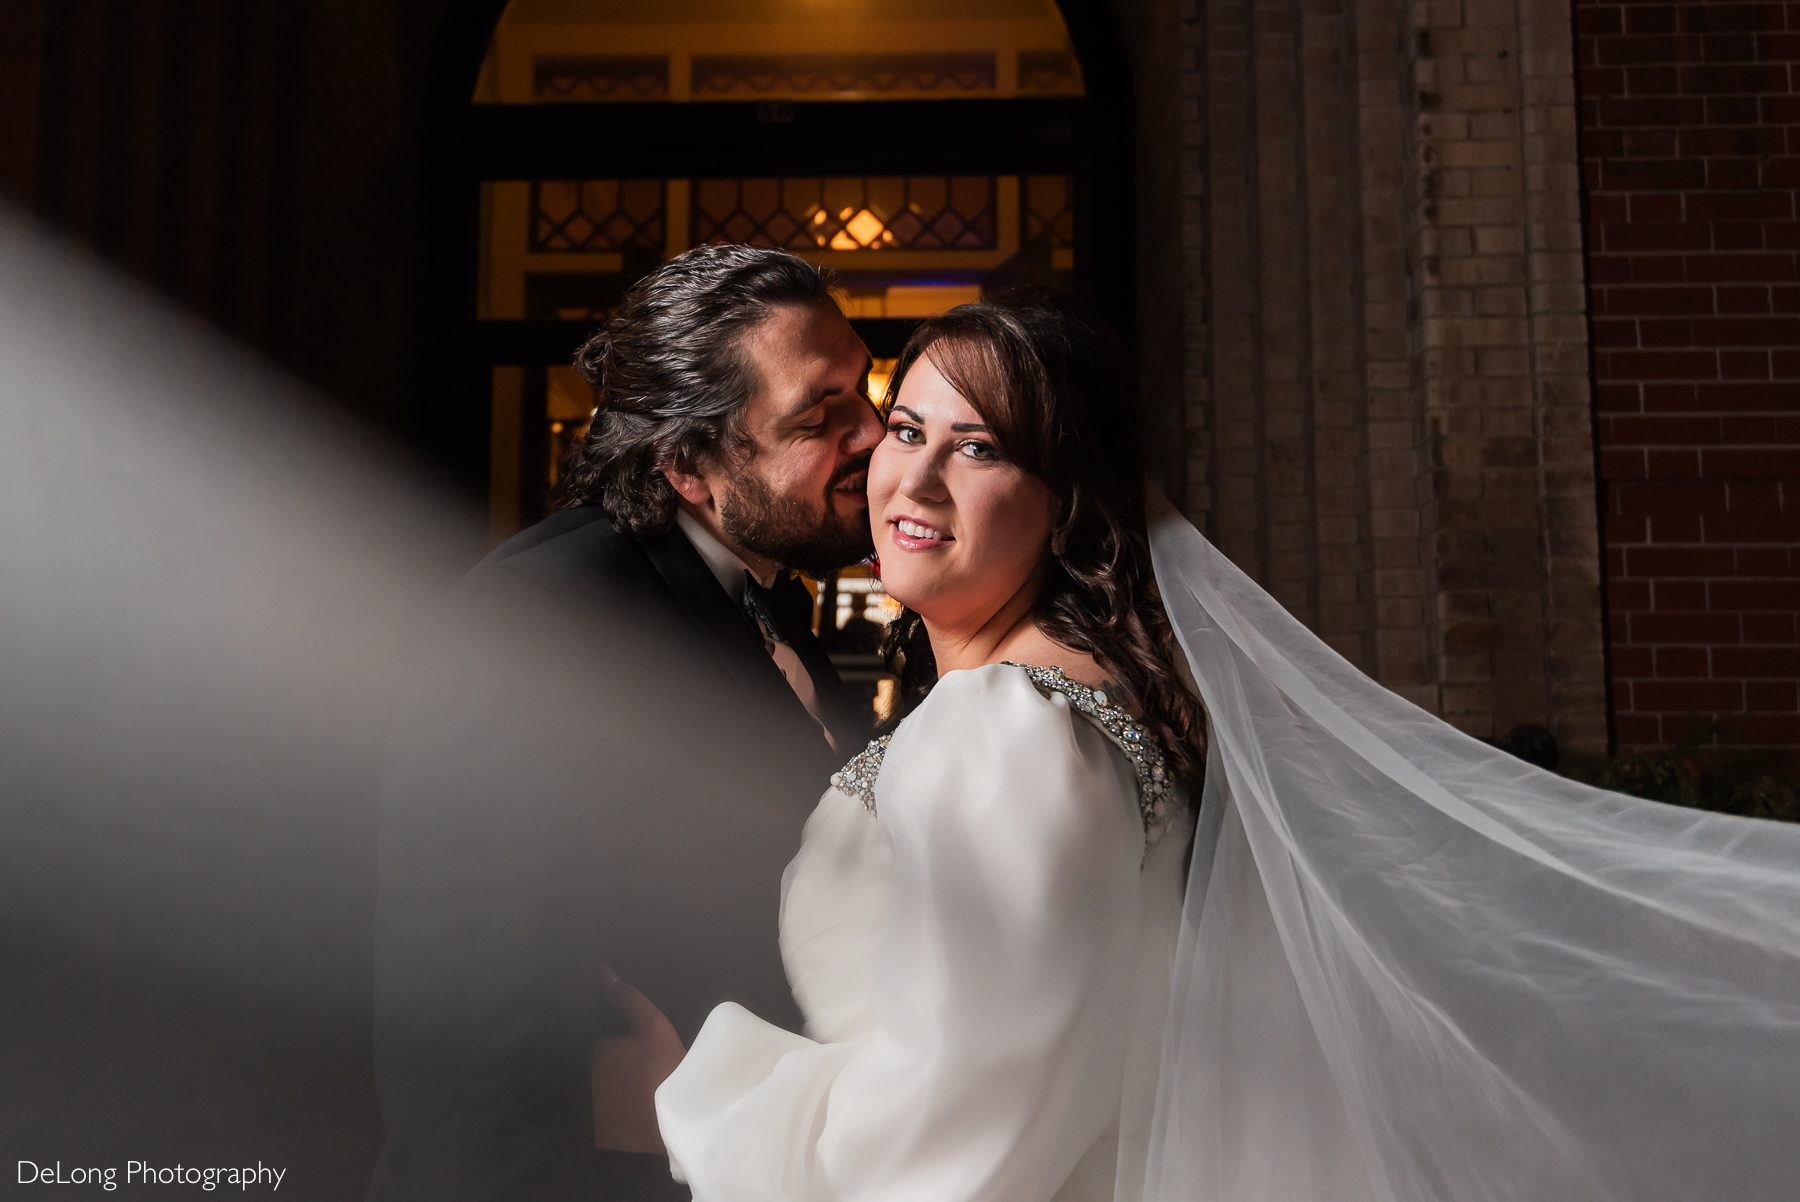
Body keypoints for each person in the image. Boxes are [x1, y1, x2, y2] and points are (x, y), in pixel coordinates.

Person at [630, 289, 1800, 1201]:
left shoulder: (1007, 736)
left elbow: (951, 1139)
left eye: (980, 448)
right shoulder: (1057, 705)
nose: (914, 476)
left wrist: (694, 1099)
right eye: (906, 427)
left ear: (1065, 498)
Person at [368, 245, 884, 1201]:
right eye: (823, 418)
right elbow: (470, 1023)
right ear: (688, 465)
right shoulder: (547, 620)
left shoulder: (772, 596)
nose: (876, 434)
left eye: (865, 391)